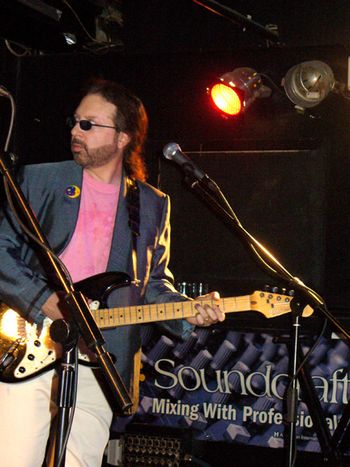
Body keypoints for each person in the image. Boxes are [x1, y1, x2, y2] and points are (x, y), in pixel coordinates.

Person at [0, 78, 225, 467]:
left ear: (122, 137)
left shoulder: (152, 204)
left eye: (88, 124)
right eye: (74, 122)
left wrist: (186, 309)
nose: (75, 130)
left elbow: (152, 283)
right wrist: (44, 302)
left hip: (102, 357)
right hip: (29, 342)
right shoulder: (40, 180)